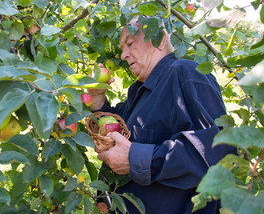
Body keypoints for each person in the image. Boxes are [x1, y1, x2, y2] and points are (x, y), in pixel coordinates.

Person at [88, 16, 236, 214]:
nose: (123, 55)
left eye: (130, 43)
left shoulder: (186, 74)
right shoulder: (138, 92)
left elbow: (218, 152)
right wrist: (98, 100)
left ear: (159, 38)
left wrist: (137, 160)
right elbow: (115, 129)